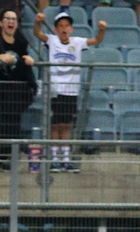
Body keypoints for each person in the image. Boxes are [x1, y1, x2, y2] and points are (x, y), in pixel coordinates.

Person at [32, 11, 106, 172]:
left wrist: (102, 30)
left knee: (66, 124)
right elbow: (37, 33)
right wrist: (38, 22)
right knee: (55, 124)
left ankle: (65, 158)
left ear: (71, 28)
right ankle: (54, 158)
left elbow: (96, 40)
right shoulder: (51, 41)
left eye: (66, 26)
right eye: (60, 26)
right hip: (55, 90)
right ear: (56, 29)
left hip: (71, 91)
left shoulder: (77, 42)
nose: (64, 29)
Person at [0, 8, 36, 171]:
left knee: (12, 124)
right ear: (0, 22)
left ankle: (5, 159)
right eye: (7, 18)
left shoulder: (20, 42)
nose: (11, 22)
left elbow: (23, 60)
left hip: (13, 92)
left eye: (14, 19)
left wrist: (28, 59)